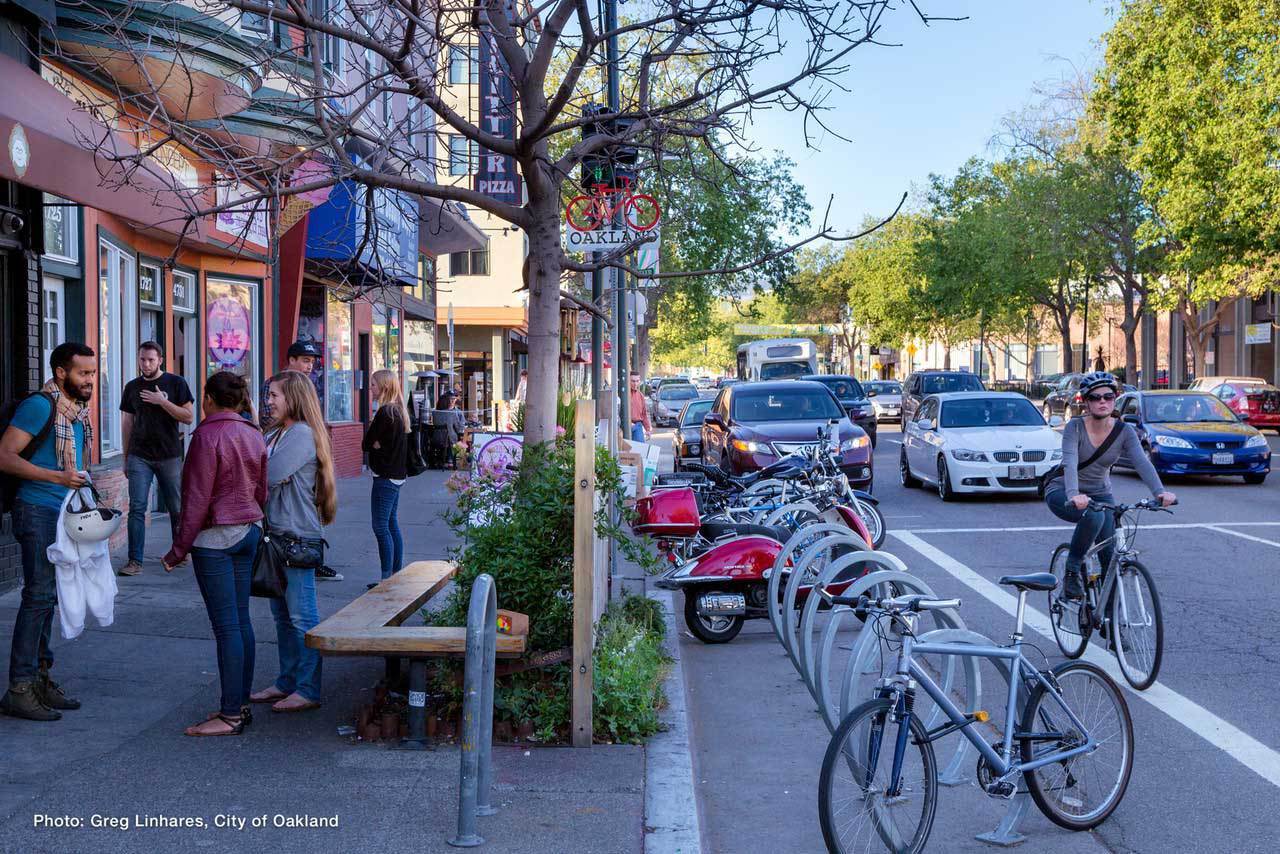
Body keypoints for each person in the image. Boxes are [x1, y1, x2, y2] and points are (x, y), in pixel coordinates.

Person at [162, 371, 267, 737]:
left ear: (207, 398)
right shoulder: (253, 433)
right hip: (249, 528)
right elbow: (261, 487)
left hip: (216, 538)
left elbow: (195, 499)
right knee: (241, 621)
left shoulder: (206, 435)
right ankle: (239, 705)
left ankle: (230, 714)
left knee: (227, 627)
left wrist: (178, 550)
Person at [0, 343, 95, 721]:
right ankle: (19, 687)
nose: (90, 380)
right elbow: (5, 456)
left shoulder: (77, 412)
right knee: (38, 595)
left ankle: (39, 678)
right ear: (60, 372)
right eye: (83, 373)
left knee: (49, 597)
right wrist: (57, 476)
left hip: (62, 513)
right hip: (36, 509)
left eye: (92, 372)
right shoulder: (41, 406)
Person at [249, 371, 338, 713]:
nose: (268, 401)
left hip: (296, 536)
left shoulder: (300, 433)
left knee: (302, 617)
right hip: (278, 535)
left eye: (274, 396)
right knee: (281, 616)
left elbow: (268, 475)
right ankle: (287, 682)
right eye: (268, 395)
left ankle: (308, 688)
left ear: (294, 399)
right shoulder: (279, 431)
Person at [1043, 372, 1176, 601]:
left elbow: (1142, 462)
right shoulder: (1074, 428)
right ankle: (1072, 570)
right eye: (1095, 397)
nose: (1102, 401)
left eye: (1108, 396)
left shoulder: (1124, 431)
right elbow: (1070, 462)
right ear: (1086, 402)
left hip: (1101, 493)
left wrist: (1159, 492)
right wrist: (1074, 494)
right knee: (1093, 516)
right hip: (1063, 490)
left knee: (1109, 555)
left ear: (1115, 398)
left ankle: (1108, 619)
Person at [118, 341, 194, 577]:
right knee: (137, 508)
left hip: (169, 455)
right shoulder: (132, 387)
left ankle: (180, 553)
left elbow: (189, 417)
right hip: (140, 455)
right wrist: (126, 456)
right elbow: (127, 423)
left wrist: (163, 402)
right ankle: (134, 561)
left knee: (176, 507)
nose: (146, 364)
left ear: (161, 360)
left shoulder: (176, 383)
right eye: (142, 359)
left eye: (151, 359)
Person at [364, 370, 410, 584]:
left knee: (381, 526)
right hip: (397, 475)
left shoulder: (385, 413)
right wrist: (375, 444)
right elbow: (372, 443)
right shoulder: (399, 411)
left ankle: (386, 579)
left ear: (383, 386)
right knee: (391, 523)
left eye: (373, 384)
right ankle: (394, 575)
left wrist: (375, 445)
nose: (370, 388)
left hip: (385, 476)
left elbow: (366, 443)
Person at [260, 340, 321, 431]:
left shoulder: (307, 385)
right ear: (292, 360)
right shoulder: (274, 383)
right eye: (306, 361)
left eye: (312, 362)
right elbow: (266, 417)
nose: (310, 366)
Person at [628, 373, 651, 443]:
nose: (635, 384)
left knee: (640, 451)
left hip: (637, 426)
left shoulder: (640, 395)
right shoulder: (623, 394)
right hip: (625, 426)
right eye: (633, 381)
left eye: (637, 381)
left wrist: (648, 429)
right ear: (628, 381)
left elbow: (644, 414)